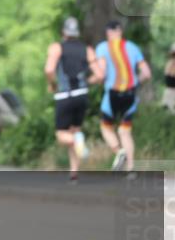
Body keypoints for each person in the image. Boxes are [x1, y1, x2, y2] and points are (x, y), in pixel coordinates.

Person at [44, 17, 102, 182]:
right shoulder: (87, 50)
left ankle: (77, 141)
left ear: (63, 32)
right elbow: (99, 75)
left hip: (65, 95)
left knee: (62, 135)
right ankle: (74, 173)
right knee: (74, 131)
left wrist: (53, 84)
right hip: (82, 95)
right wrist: (86, 82)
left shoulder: (57, 47)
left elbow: (49, 70)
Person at [92, 20, 151, 174]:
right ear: (120, 31)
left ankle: (119, 152)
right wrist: (136, 82)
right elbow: (146, 73)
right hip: (130, 94)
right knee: (125, 132)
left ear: (108, 33)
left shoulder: (103, 47)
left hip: (112, 94)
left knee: (105, 127)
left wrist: (92, 80)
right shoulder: (132, 47)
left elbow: (102, 72)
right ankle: (131, 168)